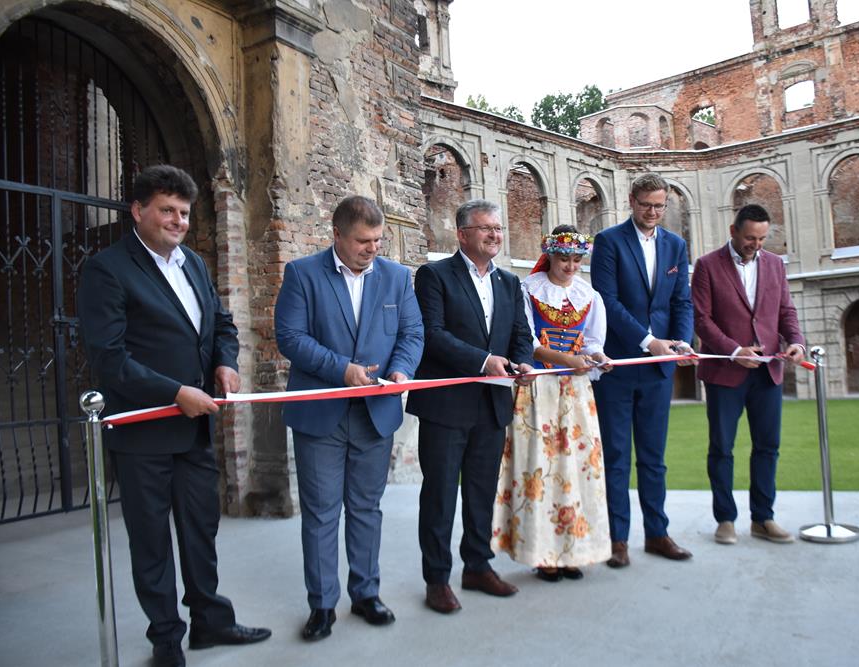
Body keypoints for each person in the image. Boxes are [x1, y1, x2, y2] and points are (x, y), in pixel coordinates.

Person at [77, 165, 270, 667]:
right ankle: (166, 638)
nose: (178, 221)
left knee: (201, 530)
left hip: (193, 429)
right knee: (152, 543)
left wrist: (225, 363)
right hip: (142, 433)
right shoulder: (107, 270)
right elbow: (109, 358)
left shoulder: (195, 265)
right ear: (138, 210)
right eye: (167, 210)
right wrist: (175, 392)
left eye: (184, 212)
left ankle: (209, 622)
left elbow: (222, 325)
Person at [274, 195, 424, 639]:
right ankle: (322, 605)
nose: (372, 249)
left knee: (366, 508)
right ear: (337, 235)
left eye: (378, 240)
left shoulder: (397, 277)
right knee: (321, 513)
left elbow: (412, 333)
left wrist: (402, 370)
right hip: (321, 413)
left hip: (375, 414)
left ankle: (365, 594)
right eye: (363, 241)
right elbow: (290, 337)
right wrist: (342, 370)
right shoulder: (302, 274)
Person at [406, 199, 535, 614]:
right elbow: (432, 334)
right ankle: (437, 580)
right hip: (445, 407)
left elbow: (520, 334)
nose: (495, 235)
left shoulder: (509, 283)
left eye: (498, 228)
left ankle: (477, 566)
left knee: (481, 493)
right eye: (486, 228)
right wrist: (482, 361)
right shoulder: (434, 275)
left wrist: (523, 362)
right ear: (462, 234)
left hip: (492, 404)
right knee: (440, 496)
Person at [492, 225, 613, 582]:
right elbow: (526, 341)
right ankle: (541, 552)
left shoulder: (589, 294)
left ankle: (573, 550)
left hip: (575, 391)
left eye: (576, 260)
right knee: (539, 467)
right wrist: (566, 360)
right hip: (538, 388)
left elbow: (592, 341)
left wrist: (597, 357)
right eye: (564, 259)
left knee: (576, 467)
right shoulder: (528, 289)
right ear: (550, 256)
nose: (571, 266)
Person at [590, 173, 696, 568]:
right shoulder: (609, 241)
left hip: (658, 371)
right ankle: (617, 540)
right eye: (646, 205)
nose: (653, 212)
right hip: (618, 366)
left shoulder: (676, 245)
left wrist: (681, 341)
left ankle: (657, 534)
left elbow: (681, 301)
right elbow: (607, 301)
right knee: (616, 457)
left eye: (659, 206)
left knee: (654, 457)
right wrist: (648, 341)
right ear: (632, 201)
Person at [691, 203, 806, 545]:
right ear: (733, 231)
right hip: (724, 373)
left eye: (762, 238)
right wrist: (734, 351)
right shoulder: (707, 265)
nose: (756, 245)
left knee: (768, 446)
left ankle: (763, 518)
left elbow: (785, 310)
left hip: (768, 371)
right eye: (750, 238)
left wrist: (796, 341)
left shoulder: (775, 265)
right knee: (722, 448)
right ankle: (725, 519)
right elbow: (701, 320)